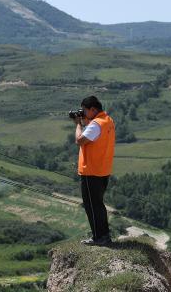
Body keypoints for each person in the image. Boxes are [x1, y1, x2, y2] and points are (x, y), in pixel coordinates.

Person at [73, 96, 116, 246]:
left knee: (92, 206)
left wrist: (78, 124)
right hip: (102, 170)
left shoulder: (96, 125)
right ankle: (103, 235)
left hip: (91, 171)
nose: (83, 113)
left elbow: (79, 140)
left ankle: (99, 237)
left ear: (93, 109)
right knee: (98, 205)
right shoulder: (107, 120)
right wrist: (86, 122)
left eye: (85, 110)